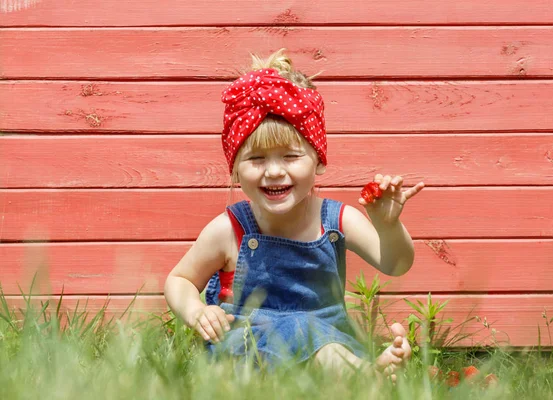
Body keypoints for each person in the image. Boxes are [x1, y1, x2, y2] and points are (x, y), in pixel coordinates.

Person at [164, 49, 425, 379]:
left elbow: (396, 264)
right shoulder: (229, 230)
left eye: (290, 156)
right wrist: (195, 310)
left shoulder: (335, 220)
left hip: (322, 343)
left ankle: (365, 377)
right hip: (248, 347)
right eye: (256, 159)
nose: (273, 171)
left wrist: (388, 226)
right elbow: (180, 279)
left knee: (323, 347)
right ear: (235, 168)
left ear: (318, 160)